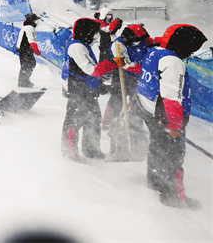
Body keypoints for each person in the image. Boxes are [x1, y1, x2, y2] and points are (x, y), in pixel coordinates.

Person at [136, 24, 207, 208]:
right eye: (191, 48)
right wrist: (174, 125)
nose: (191, 53)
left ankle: (155, 182)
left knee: (157, 148)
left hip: (151, 111)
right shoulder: (173, 62)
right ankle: (173, 196)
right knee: (173, 156)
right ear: (183, 44)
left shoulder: (155, 52)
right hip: (166, 116)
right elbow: (171, 96)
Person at [61, 18, 121, 161]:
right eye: (94, 32)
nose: (96, 35)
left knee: (93, 120)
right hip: (78, 89)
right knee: (74, 121)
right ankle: (69, 151)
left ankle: (91, 149)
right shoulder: (76, 47)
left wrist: (99, 82)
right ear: (86, 32)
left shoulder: (83, 45)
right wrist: (112, 63)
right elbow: (91, 69)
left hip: (88, 89)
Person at [103, 23, 152, 157]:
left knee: (137, 101)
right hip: (122, 75)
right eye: (137, 40)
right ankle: (109, 122)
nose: (140, 42)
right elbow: (126, 65)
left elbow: (152, 43)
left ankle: (134, 125)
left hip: (139, 76)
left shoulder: (141, 40)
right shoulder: (117, 46)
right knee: (117, 99)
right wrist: (144, 69)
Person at [16, 13, 41, 88]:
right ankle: (22, 82)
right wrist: (36, 50)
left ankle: (25, 80)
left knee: (30, 64)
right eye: (35, 20)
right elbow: (31, 40)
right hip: (24, 49)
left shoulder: (28, 27)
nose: (36, 21)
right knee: (27, 65)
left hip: (26, 49)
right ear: (31, 20)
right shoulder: (29, 28)